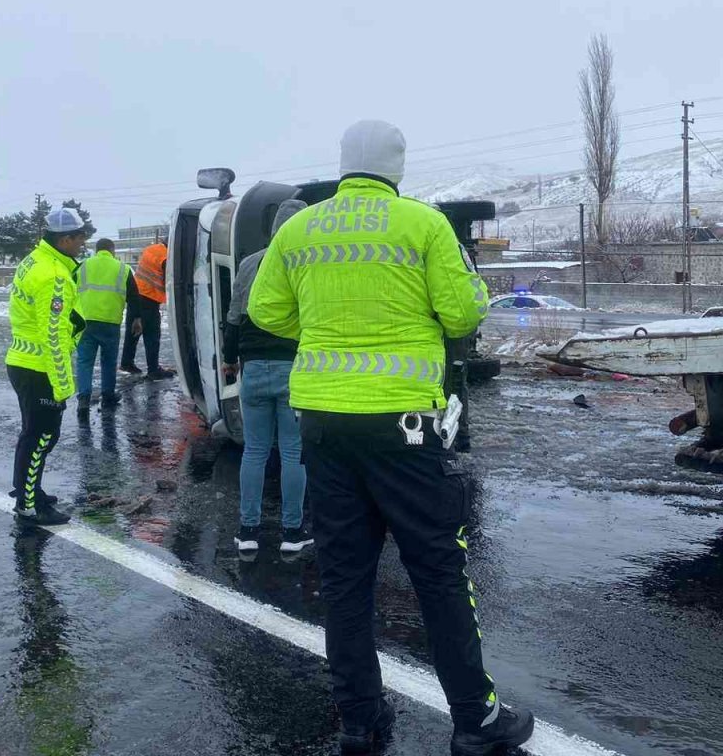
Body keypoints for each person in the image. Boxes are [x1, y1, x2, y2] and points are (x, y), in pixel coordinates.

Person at [249, 121, 534, 756]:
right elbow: (463, 312)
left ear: (344, 163)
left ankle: (360, 719)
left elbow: (266, 311)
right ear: (396, 166)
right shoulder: (423, 224)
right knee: (436, 568)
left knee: (345, 577)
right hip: (404, 422)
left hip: (322, 421)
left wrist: (323, 329)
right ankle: (475, 720)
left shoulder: (297, 230)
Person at [223, 199, 312, 556]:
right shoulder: (306, 261)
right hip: (294, 368)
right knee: (293, 453)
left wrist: (230, 360)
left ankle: (248, 531)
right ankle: (292, 534)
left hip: (254, 368)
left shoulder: (248, 264)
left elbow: (233, 317)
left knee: (254, 451)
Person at [7, 208, 88, 526]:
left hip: (23, 361)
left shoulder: (34, 261)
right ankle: (29, 508)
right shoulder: (52, 275)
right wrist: (61, 384)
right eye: (80, 237)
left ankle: (29, 491)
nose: (82, 243)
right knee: (42, 437)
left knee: (32, 434)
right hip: (39, 367)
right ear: (65, 239)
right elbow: (52, 335)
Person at [74, 237, 143, 423]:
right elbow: (134, 297)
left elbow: (69, 290)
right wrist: (136, 319)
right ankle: (108, 396)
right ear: (112, 251)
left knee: (84, 361)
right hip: (110, 323)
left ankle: (83, 399)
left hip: (85, 321)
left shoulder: (82, 266)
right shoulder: (123, 269)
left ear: (97, 250)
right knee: (108, 361)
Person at [122, 237, 176, 381]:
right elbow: (169, 280)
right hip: (149, 298)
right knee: (152, 335)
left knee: (133, 331)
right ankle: (153, 369)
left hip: (136, 295)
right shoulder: (165, 256)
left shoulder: (151, 249)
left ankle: (126, 362)